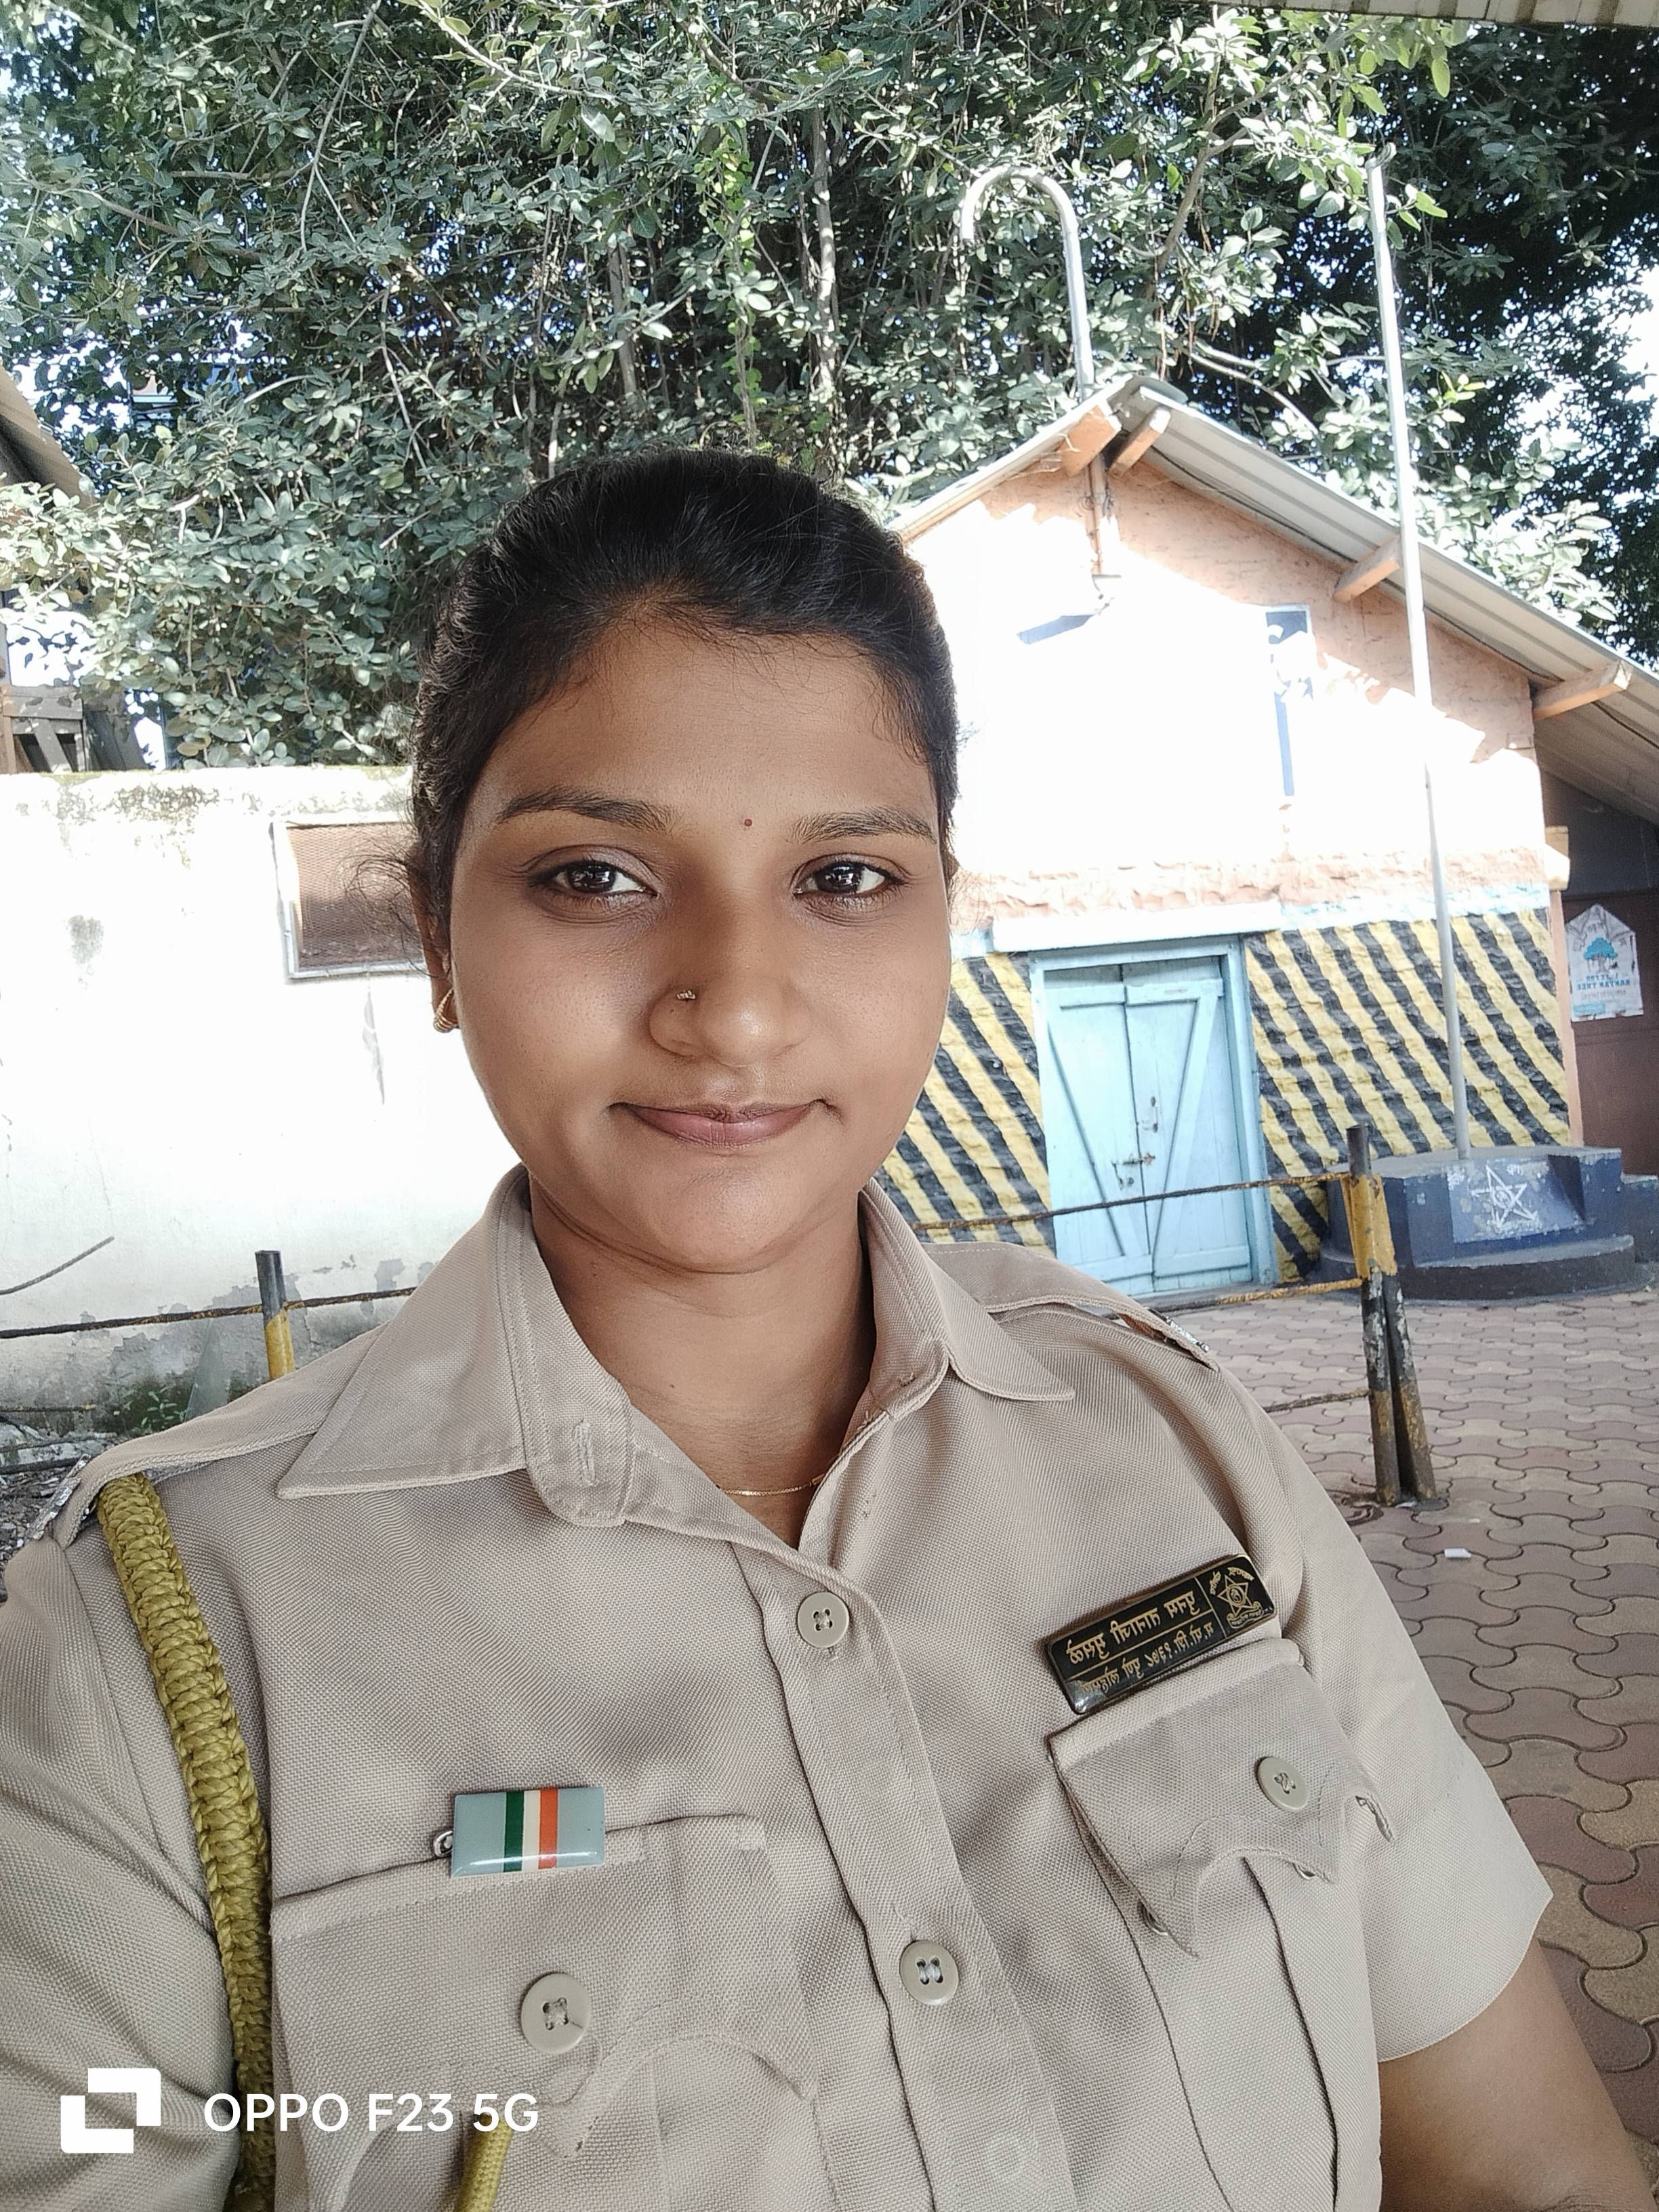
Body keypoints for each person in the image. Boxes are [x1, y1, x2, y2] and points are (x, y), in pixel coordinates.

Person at [0, 446, 1647, 2212]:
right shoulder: (145, 1656)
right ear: (438, 935)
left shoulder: (1174, 1442)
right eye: (595, 876)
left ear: (943, 911)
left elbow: (1531, 2173)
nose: (735, 1008)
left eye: (846, 878)